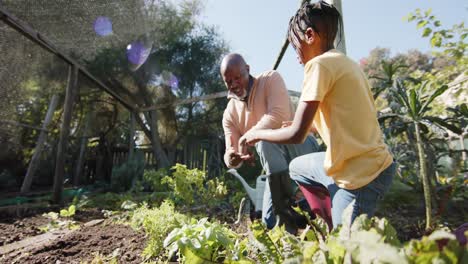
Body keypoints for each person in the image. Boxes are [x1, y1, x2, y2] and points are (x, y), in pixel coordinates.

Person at [239, 1, 396, 228]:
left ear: (310, 36)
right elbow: (343, 117)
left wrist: (259, 133)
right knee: (297, 167)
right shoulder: (346, 63)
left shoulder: (318, 65)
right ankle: (324, 209)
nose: (297, 56)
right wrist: (305, 125)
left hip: (362, 177)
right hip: (367, 162)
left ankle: (339, 213)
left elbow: (296, 135)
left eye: (296, 47)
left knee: (342, 253)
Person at [220, 53, 320, 230]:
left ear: (248, 70)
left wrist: (248, 136)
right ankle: (293, 206)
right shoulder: (230, 113)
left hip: (301, 149)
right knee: (270, 222)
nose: (234, 84)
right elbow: (230, 152)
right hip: (277, 169)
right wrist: (232, 157)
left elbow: (278, 116)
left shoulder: (270, 80)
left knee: (264, 139)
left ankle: (304, 200)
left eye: (238, 77)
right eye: (229, 81)